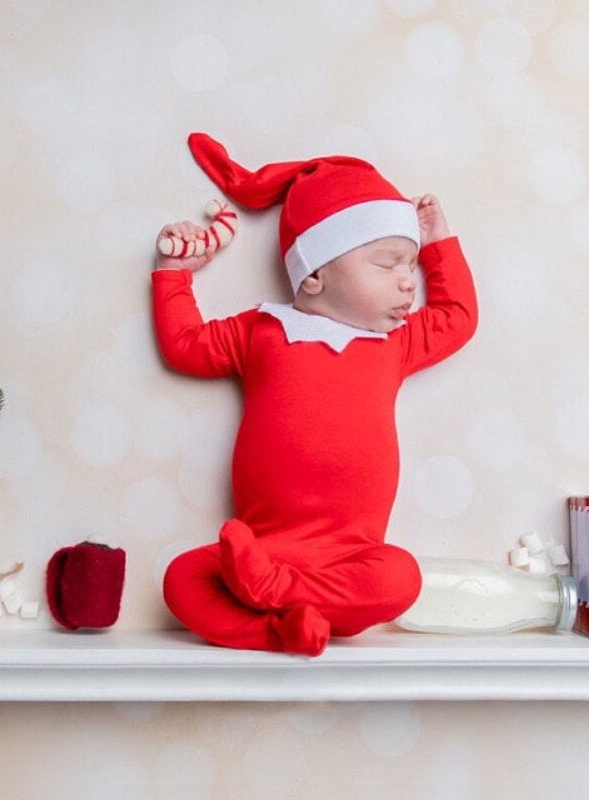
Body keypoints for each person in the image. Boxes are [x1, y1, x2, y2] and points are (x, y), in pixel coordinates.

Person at [153, 133, 478, 656]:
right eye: (388, 263)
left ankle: (282, 597)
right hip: (259, 548)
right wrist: (174, 276)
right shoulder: (262, 330)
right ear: (315, 275)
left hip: (351, 558)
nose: (408, 283)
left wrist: (439, 241)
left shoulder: (394, 342)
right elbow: (185, 346)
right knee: (182, 582)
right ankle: (282, 630)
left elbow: (458, 317)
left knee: (402, 578)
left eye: (412, 266)